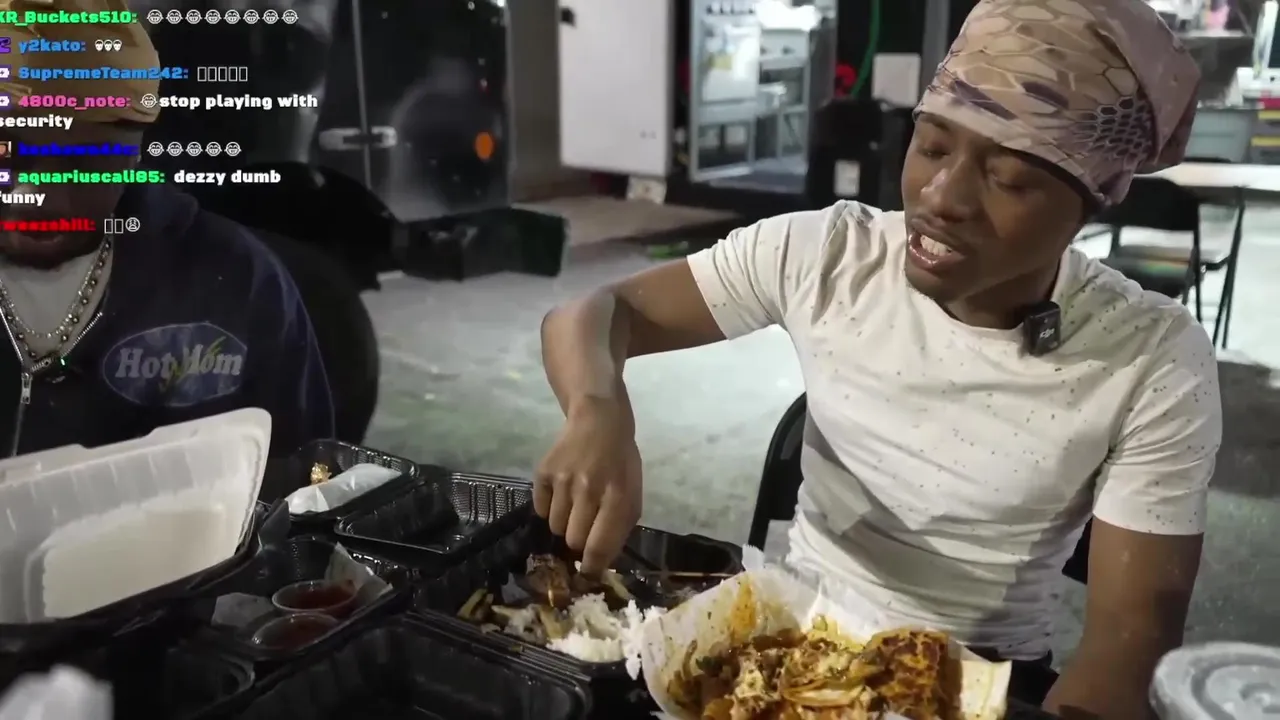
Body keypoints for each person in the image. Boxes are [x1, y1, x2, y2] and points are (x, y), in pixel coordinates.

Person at [536, 0, 1219, 717]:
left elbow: (1130, 644)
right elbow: (595, 312)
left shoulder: (1150, 358)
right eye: (932, 146)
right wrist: (597, 409)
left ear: (1090, 200)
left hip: (975, 684)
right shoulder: (832, 256)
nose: (942, 197)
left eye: (1009, 179)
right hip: (791, 644)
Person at [0, 0, 334, 463]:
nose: (38, 195)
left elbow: (306, 481)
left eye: (85, 161)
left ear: (135, 151)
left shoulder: (240, 285)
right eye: (8, 154)